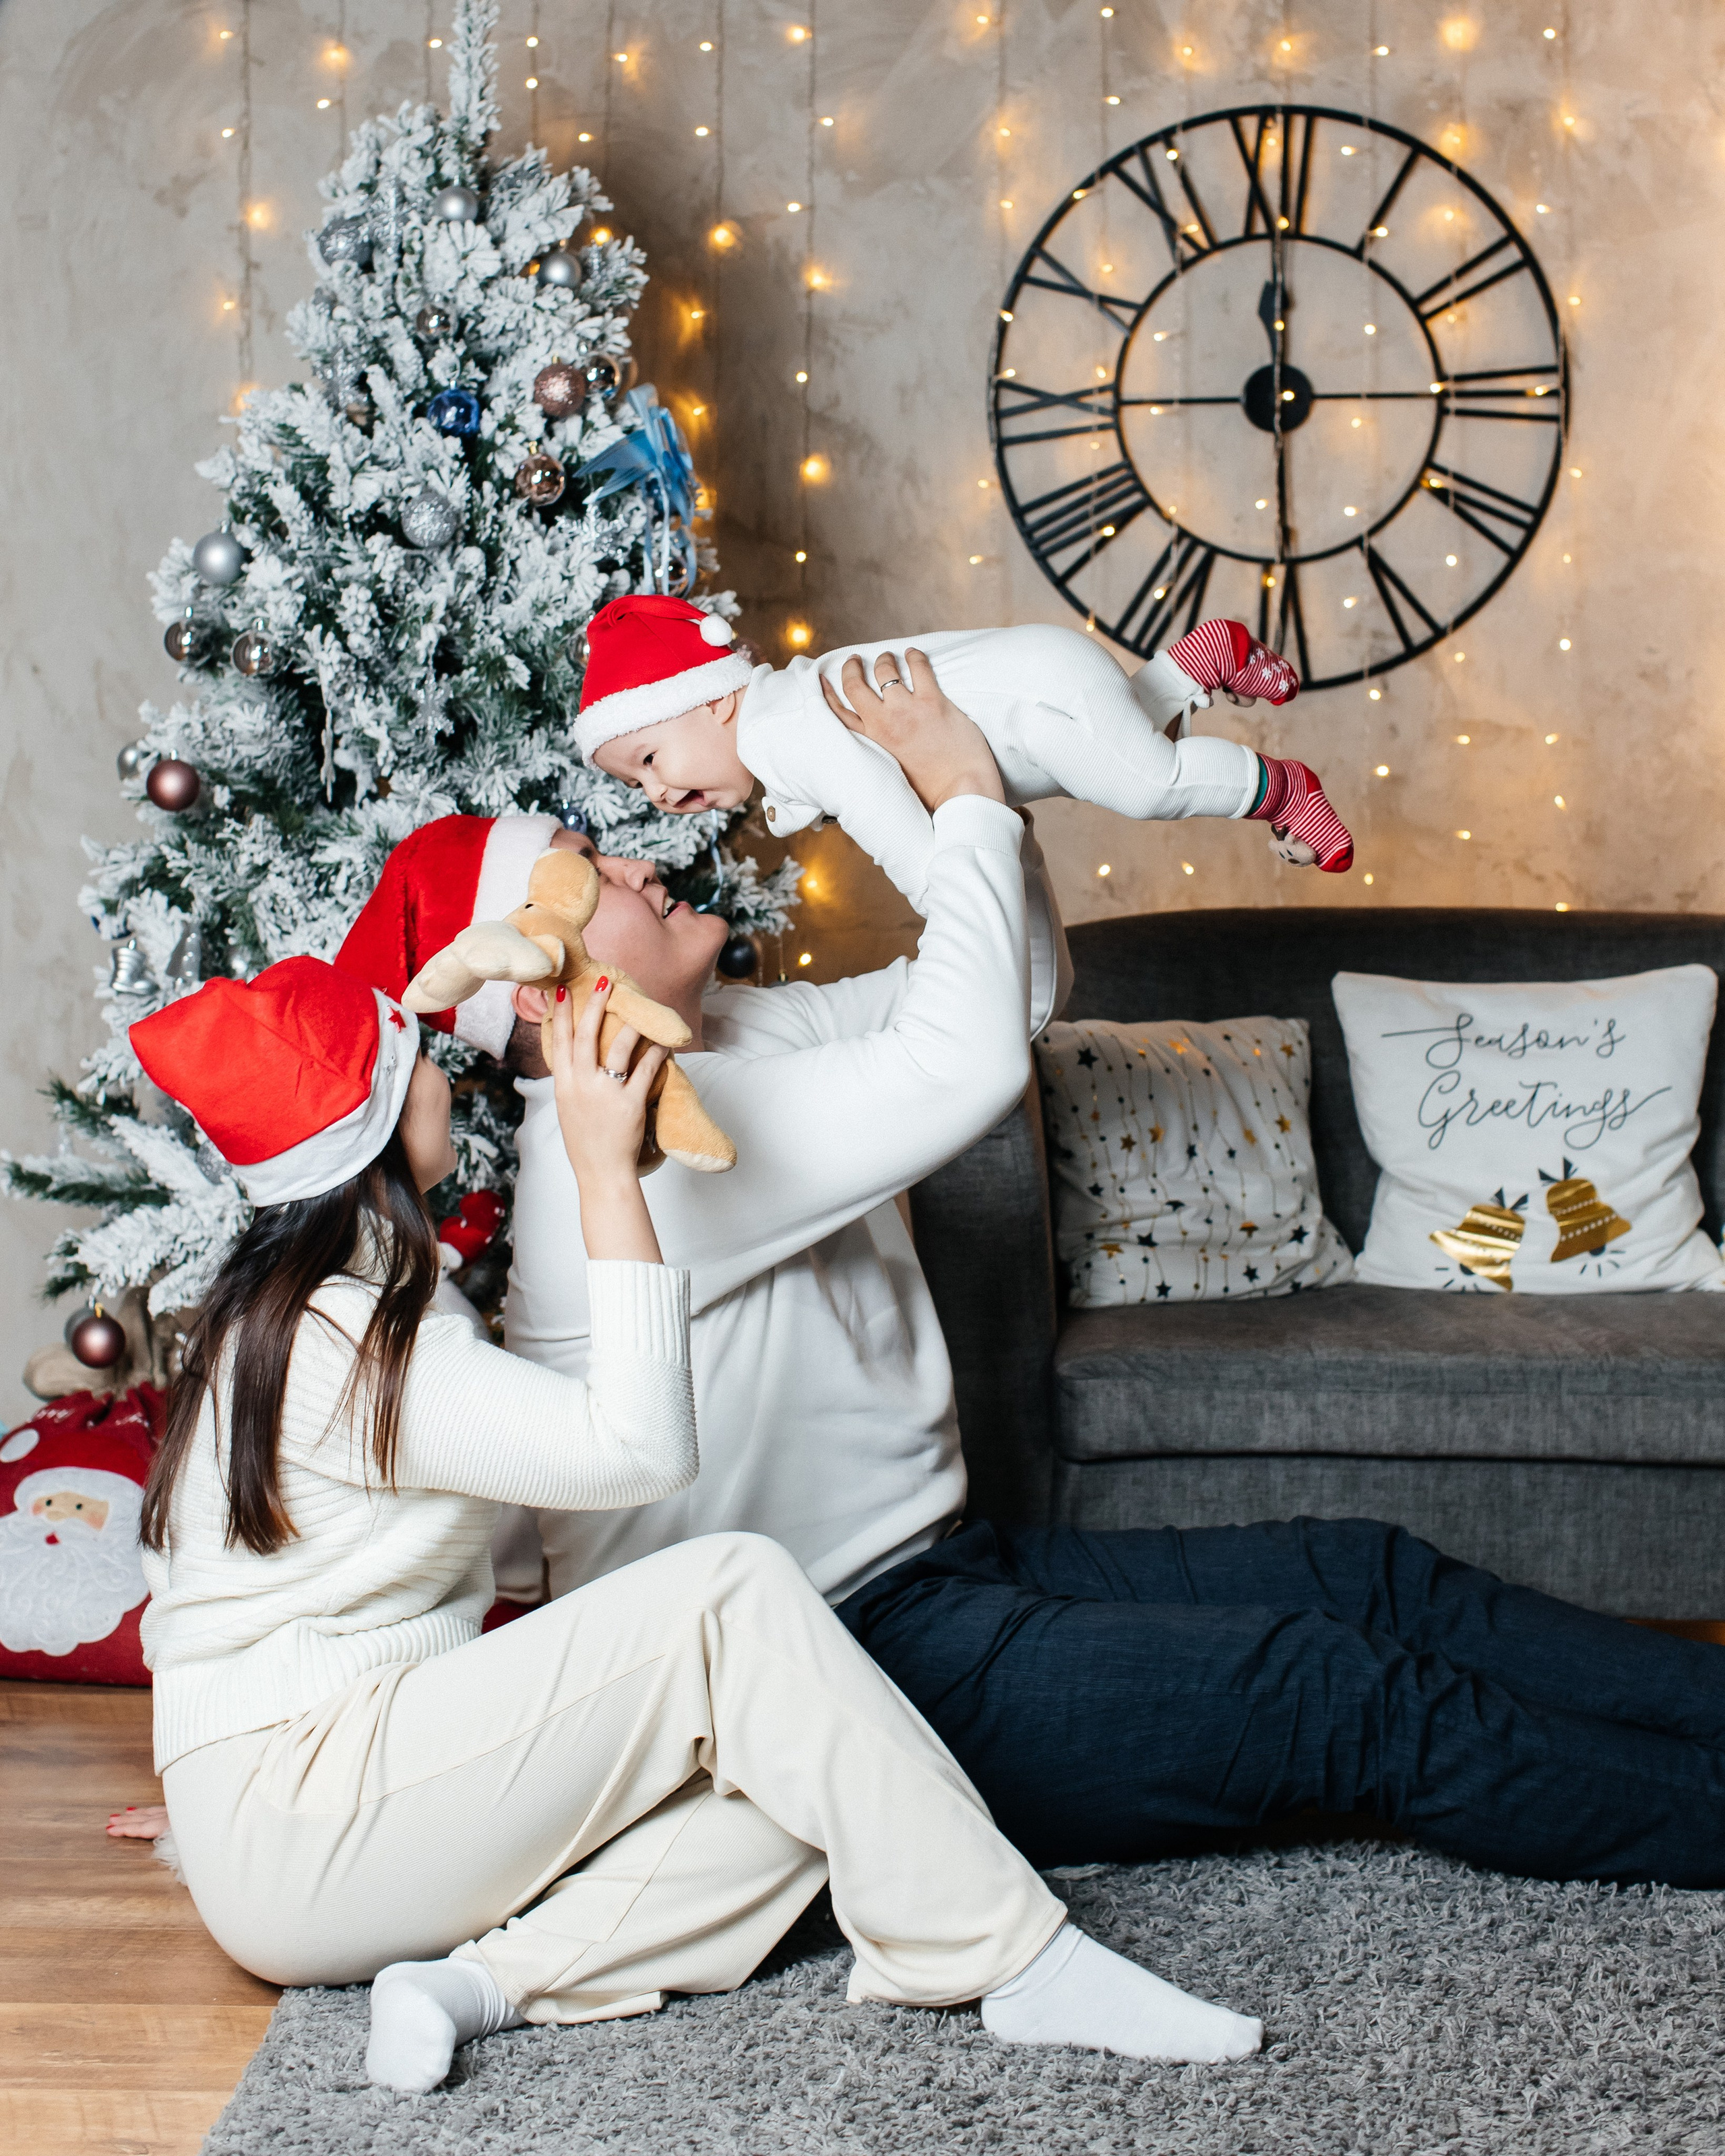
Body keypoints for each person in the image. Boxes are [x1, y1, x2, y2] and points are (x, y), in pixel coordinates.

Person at [336, 649, 1725, 1894]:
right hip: (830, 1670)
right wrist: (953, 802)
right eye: (596, 872)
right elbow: (964, 1067)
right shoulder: (636, 1153)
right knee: (1337, 1695)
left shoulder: (738, 1039)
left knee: (1364, 1576)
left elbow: (1009, 994)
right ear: (540, 979)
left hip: (933, 1573)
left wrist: (967, 788)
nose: (642, 865)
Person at [127, 951, 1263, 2092]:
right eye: (416, 1064)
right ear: (371, 1133)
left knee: (823, 1765)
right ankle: (1012, 1958)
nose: (446, 1078)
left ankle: (481, 1983)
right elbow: (639, 1452)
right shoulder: (359, 1346)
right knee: (735, 1593)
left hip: (306, 1810)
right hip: (309, 1823)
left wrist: (213, 1783)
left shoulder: (299, 1314)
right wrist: (602, 1171)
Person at [580, 597, 1354, 894]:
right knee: (1109, 758)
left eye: (649, 758)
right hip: (1037, 689)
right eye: (633, 782)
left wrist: (941, 893)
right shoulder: (778, 719)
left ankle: (1282, 789)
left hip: (1033, 695)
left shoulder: (778, 730)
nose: (652, 791)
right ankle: (1195, 665)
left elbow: (878, 808)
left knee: (1145, 784)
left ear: (712, 700)